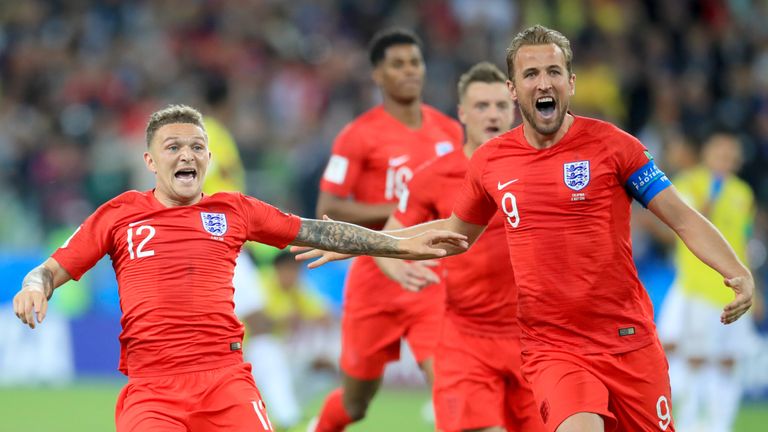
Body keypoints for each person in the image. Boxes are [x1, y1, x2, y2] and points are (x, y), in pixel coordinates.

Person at [296, 25, 754, 432]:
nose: (543, 82)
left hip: (628, 340)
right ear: (516, 89)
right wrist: (365, 242)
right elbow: (450, 235)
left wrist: (737, 270)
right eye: (530, 75)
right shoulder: (492, 163)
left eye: (553, 72)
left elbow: (681, 216)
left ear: (570, 82)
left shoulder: (616, 148)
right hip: (552, 346)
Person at [11, 104, 467, 432]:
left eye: (197, 146)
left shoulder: (235, 210)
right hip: (152, 391)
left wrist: (402, 245)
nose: (186, 155)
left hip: (224, 383)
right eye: (173, 147)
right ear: (150, 161)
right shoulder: (118, 215)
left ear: (210, 158)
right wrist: (34, 286)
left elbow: (318, 231)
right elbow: (50, 270)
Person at [377, 61, 545, 432]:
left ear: (515, 109)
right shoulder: (435, 176)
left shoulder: (540, 168)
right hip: (466, 336)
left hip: (537, 338)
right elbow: (389, 238)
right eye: (481, 106)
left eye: (501, 105)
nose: (492, 114)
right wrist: (398, 268)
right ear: (462, 113)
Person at [311, 28, 463, 432]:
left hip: (428, 275)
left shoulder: (450, 132)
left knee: (448, 382)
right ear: (378, 75)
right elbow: (327, 207)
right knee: (356, 402)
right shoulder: (357, 137)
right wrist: (404, 208)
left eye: (415, 62)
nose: (409, 71)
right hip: (373, 278)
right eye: (398, 64)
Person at [201, 75, 304, 430]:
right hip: (216, 240)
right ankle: (282, 412)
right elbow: (203, 180)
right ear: (228, 101)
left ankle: (269, 408)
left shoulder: (213, 132)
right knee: (257, 323)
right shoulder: (208, 132)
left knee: (250, 326)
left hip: (226, 240)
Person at [656, 133, 758, 432]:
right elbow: (684, 224)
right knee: (696, 358)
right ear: (707, 153)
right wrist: (709, 199)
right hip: (699, 286)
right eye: (721, 151)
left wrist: (755, 288)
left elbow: (743, 241)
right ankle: (687, 424)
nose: (726, 158)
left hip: (734, 288)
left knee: (728, 360)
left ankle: (719, 425)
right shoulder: (689, 183)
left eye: (732, 153)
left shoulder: (743, 193)